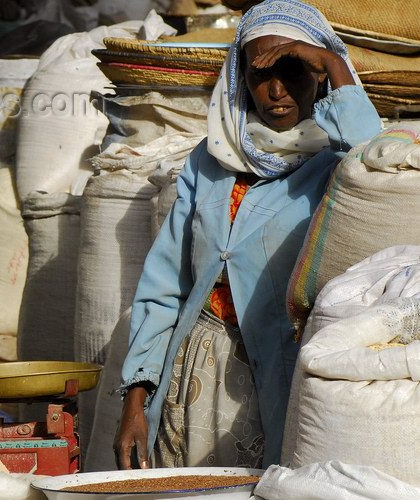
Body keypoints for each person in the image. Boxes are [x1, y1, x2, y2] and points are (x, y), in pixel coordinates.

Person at [113, 0, 382, 471]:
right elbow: (164, 287)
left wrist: (334, 62)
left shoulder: (337, 164)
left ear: (319, 76)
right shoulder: (210, 159)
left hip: (282, 379)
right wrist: (135, 399)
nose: (276, 90)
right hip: (192, 380)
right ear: (240, 78)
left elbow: (377, 172)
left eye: (293, 69)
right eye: (261, 74)